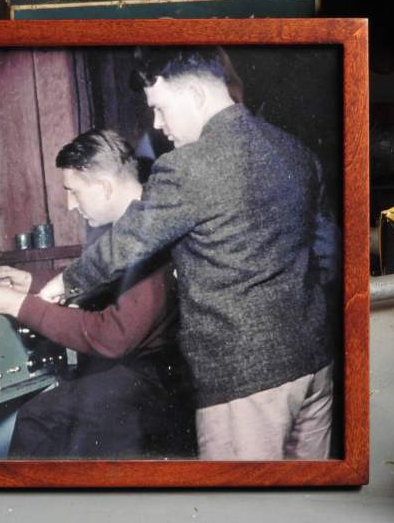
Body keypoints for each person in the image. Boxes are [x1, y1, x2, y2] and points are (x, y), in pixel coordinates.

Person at [38, 48, 339, 460]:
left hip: (245, 382)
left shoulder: (188, 166)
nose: (158, 126)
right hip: (315, 365)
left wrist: (65, 282)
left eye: (160, 109)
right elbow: (326, 252)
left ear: (196, 93)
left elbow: (130, 239)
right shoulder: (294, 151)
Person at [0, 129, 196, 459]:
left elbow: (113, 337)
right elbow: (110, 287)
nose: (68, 205)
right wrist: (34, 283)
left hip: (159, 383)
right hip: (159, 372)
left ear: (105, 187)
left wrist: (17, 304)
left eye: (73, 192)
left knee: (39, 418)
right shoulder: (140, 225)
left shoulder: (142, 241)